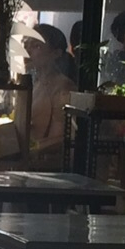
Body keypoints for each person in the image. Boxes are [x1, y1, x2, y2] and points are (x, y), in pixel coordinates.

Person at [22, 22, 77, 160]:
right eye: (26, 45)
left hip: (46, 165)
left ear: (56, 53)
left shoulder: (63, 88)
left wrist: (29, 150)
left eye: (36, 46)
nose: (27, 51)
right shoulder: (36, 83)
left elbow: (62, 137)